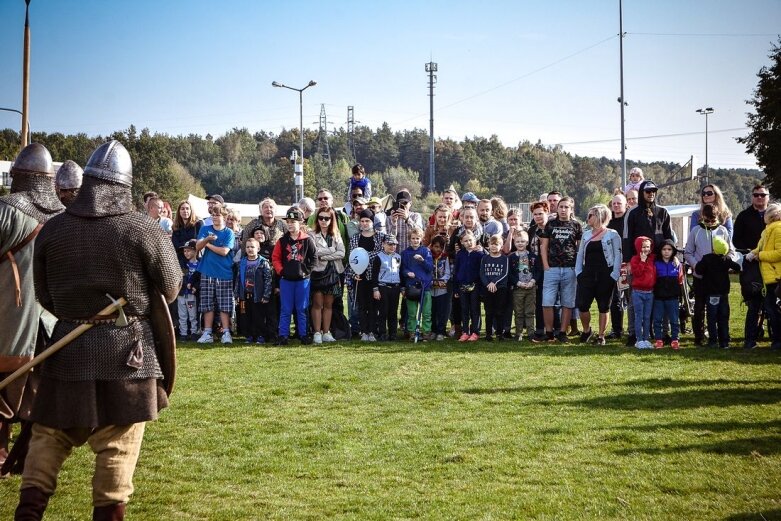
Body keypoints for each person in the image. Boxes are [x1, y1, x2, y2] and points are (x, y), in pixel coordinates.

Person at [20, 139, 180, 519]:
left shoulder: (54, 230)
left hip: (66, 349)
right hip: (126, 354)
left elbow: (46, 297)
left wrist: (79, 314)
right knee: (117, 449)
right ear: (123, 186)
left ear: (88, 182)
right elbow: (171, 290)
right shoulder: (142, 228)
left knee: (48, 438)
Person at [0, 143, 64, 478]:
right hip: (53, 324)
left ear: (19, 177)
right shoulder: (64, 217)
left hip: (12, 319)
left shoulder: (8, 211)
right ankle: (27, 459)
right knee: (36, 397)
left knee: (4, 388)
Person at [622, 180, 673, 345]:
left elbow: (669, 238)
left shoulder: (663, 212)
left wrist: (671, 258)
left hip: (659, 262)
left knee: (660, 298)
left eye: (653, 191)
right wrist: (628, 261)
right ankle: (633, 334)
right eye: (648, 191)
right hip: (638, 262)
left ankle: (661, 332)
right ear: (642, 192)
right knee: (634, 300)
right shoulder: (633, 213)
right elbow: (627, 238)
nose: (651, 194)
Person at [684, 203, 735, 346]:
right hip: (701, 277)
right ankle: (699, 337)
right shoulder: (696, 231)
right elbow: (688, 252)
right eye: (707, 220)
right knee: (699, 307)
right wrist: (697, 266)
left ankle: (723, 336)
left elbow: (731, 251)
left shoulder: (723, 231)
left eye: (713, 221)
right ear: (702, 218)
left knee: (722, 308)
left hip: (718, 279)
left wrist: (723, 262)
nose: (711, 223)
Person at [575, 204, 622, 345]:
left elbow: (618, 255)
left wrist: (614, 275)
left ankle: (601, 336)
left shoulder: (612, 234)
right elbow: (580, 254)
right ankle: (586, 330)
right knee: (583, 305)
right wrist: (578, 273)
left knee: (604, 306)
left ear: (599, 216)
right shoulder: (586, 234)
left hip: (605, 274)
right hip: (588, 274)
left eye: (591, 215)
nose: (587, 218)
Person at [272, 207, 316, 346]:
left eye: (293, 221)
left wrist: (306, 271)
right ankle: (283, 336)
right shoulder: (282, 240)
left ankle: (303, 335)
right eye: (288, 222)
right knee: (286, 309)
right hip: (286, 280)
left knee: (302, 309)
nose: (290, 224)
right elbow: (276, 258)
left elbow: (313, 258)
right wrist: (281, 271)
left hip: (303, 281)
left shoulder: (307, 240)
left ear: (300, 223)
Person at [540, 196, 582, 343]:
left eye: (566, 207)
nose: (563, 209)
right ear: (557, 208)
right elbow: (543, 246)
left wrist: (577, 267)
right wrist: (546, 266)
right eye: (561, 206)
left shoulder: (576, 225)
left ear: (571, 209)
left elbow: (580, 248)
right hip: (552, 269)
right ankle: (549, 332)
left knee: (567, 302)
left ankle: (563, 332)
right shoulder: (550, 224)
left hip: (570, 269)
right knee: (547, 302)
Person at [734, 184, 770, 349]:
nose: (759, 198)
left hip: (772, 264)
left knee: (773, 303)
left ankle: (776, 340)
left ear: (768, 197)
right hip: (751, 265)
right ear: (752, 197)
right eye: (756, 195)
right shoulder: (743, 216)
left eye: (763, 195)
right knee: (754, 304)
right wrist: (750, 251)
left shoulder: (776, 215)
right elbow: (736, 240)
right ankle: (750, 340)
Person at [195, 204, 235, 344]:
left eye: (217, 215)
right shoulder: (205, 229)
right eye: (213, 215)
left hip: (224, 273)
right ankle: (207, 333)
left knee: (224, 305)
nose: (215, 217)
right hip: (207, 271)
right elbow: (197, 246)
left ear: (224, 217)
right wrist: (206, 240)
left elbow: (224, 251)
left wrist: (208, 244)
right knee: (207, 304)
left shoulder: (229, 233)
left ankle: (226, 333)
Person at [345, 209, 386, 342]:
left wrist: (366, 257)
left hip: (375, 277)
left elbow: (382, 253)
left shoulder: (380, 236)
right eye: (362, 221)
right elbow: (352, 258)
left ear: (372, 222)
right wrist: (353, 273)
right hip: (360, 277)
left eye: (367, 221)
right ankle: (364, 331)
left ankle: (373, 331)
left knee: (374, 306)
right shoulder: (355, 238)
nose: (364, 223)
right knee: (362, 306)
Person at [746, 202, 781, 350]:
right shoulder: (767, 231)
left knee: (774, 311)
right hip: (768, 276)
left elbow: (779, 253)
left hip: (775, 276)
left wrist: (759, 255)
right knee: (771, 309)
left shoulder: (777, 230)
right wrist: (752, 253)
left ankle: (778, 341)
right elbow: (760, 247)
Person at [696, 236, 741, 348]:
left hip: (711, 293)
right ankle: (724, 341)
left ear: (714, 249)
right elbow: (737, 267)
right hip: (724, 293)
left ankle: (713, 340)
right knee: (723, 317)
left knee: (712, 317)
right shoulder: (726, 260)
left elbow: (698, 270)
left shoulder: (707, 259)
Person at [309, 206, 345, 344]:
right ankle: (317, 333)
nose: (323, 221)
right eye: (321, 218)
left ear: (332, 220)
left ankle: (326, 332)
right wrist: (331, 250)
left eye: (327, 218)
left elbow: (341, 253)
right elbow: (314, 252)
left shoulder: (336, 234)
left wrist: (326, 255)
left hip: (334, 272)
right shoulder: (312, 234)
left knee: (329, 304)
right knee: (317, 303)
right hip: (318, 273)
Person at [235, 238, 273, 344]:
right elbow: (238, 279)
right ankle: (249, 335)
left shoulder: (263, 263)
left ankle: (260, 335)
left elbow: (268, 280)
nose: (250, 249)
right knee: (246, 316)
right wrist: (236, 294)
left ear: (258, 248)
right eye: (247, 247)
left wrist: (266, 295)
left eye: (252, 247)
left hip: (258, 296)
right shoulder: (242, 262)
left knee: (259, 316)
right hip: (244, 295)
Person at [401, 226, 434, 340]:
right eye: (413, 238)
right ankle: (412, 332)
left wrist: (422, 260)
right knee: (412, 312)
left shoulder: (426, 251)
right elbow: (403, 269)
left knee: (426, 312)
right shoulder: (405, 253)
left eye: (417, 238)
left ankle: (426, 331)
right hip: (411, 286)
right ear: (410, 239)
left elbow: (430, 268)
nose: (415, 241)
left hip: (425, 286)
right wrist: (407, 273)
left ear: (421, 239)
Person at [454, 230, 484, 342]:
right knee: (464, 309)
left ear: (475, 240)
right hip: (462, 286)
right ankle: (465, 331)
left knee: (475, 309)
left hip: (475, 286)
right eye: (466, 241)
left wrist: (481, 289)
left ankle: (475, 332)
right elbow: (456, 272)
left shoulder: (480, 254)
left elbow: (482, 272)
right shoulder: (460, 254)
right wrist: (456, 288)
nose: (469, 242)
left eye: (470, 240)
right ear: (462, 242)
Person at [653, 240, 684, 350]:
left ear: (673, 251)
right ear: (660, 250)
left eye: (669, 249)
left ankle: (675, 339)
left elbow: (680, 280)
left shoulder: (677, 264)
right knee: (657, 320)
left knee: (674, 320)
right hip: (659, 297)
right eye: (664, 249)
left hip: (673, 297)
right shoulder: (656, 263)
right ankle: (658, 340)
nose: (666, 252)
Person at [479, 234, 510, 341]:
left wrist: (494, 282)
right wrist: (488, 284)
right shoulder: (485, 258)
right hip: (487, 288)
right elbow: (482, 273)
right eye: (492, 244)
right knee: (489, 312)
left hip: (500, 288)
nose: (493, 246)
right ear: (488, 245)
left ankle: (499, 334)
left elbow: (505, 273)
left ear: (501, 246)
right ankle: (488, 334)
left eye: (496, 244)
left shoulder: (504, 259)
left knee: (500, 311)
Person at [607, 194, 630, 339]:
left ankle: (634, 329)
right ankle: (617, 330)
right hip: (613, 265)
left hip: (628, 265)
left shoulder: (630, 220)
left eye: (619, 203)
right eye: (614, 203)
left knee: (631, 299)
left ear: (625, 204)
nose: (616, 206)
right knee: (615, 299)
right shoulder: (608, 222)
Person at [372, 235, 402, 341]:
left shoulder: (398, 257)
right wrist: (375, 289)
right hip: (383, 286)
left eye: (394, 244)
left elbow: (400, 273)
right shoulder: (378, 257)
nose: (392, 246)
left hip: (395, 287)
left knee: (393, 311)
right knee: (383, 311)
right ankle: (382, 333)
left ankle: (393, 333)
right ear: (383, 244)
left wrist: (402, 288)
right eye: (389, 244)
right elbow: (374, 274)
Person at [509, 230, 536, 341]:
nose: (520, 243)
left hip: (531, 287)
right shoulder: (511, 257)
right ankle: (518, 333)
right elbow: (510, 273)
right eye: (518, 241)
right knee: (518, 312)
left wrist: (533, 281)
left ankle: (531, 333)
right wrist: (517, 282)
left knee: (529, 312)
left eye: (523, 241)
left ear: (527, 242)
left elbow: (537, 270)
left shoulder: (533, 256)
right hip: (518, 288)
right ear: (514, 243)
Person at [528, 201, 549, 340]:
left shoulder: (552, 227)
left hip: (551, 266)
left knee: (552, 300)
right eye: (535, 214)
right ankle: (540, 329)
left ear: (547, 212)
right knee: (539, 299)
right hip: (536, 268)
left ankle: (554, 329)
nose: (538, 217)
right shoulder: (532, 229)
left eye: (540, 213)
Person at [630, 236, 656, 349]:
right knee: (638, 316)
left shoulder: (653, 259)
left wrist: (674, 258)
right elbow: (637, 273)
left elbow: (666, 256)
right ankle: (639, 339)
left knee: (647, 317)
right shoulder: (635, 259)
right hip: (638, 292)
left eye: (648, 247)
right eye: (643, 246)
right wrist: (642, 261)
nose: (646, 249)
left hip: (650, 293)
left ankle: (646, 338)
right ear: (638, 247)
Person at [429, 235, 451, 341]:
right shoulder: (428, 256)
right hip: (431, 288)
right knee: (432, 311)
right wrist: (431, 281)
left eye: (440, 247)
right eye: (436, 246)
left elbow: (447, 273)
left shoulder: (445, 257)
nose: (438, 249)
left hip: (442, 289)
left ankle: (441, 331)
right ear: (432, 246)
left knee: (441, 311)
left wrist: (442, 281)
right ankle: (433, 330)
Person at [387, 189, 423, 253]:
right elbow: (389, 239)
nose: (403, 205)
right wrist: (394, 223)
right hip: (396, 255)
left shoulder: (416, 216)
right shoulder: (390, 218)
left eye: (405, 203)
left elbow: (420, 233)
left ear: (410, 203)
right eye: (400, 203)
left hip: (413, 254)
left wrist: (407, 219)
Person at [178, 239, 200, 340]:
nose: (186, 253)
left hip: (192, 295)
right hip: (182, 294)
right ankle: (183, 334)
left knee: (192, 315)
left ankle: (194, 333)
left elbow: (200, 278)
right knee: (182, 315)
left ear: (195, 251)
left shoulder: (199, 265)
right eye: (185, 251)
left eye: (189, 250)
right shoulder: (182, 264)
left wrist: (195, 286)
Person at [171, 200, 202, 269]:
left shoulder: (198, 224)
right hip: (181, 262)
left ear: (191, 210)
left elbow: (200, 242)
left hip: (196, 262)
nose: (185, 211)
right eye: (182, 209)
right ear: (179, 211)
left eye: (187, 208)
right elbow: (175, 245)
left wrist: (183, 244)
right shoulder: (176, 227)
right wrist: (190, 242)